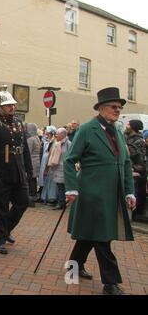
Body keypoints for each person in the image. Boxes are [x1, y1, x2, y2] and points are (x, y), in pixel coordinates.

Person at [65, 87, 136, 295]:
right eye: (114, 107)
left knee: (89, 234)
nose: (118, 110)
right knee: (102, 237)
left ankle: (73, 266)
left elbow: (126, 163)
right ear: (102, 108)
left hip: (112, 196)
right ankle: (110, 283)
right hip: (91, 194)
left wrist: (130, 191)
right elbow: (70, 160)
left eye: (120, 107)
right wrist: (72, 188)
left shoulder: (118, 133)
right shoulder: (87, 129)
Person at [0, 85, 33, 255]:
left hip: (18, 170)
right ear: (0, 107)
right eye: (8, 105)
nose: (12, 107)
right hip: (1, 172)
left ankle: (3, 230)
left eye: (13, 105)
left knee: (23, 202)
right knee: (1, 207)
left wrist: (29, 170)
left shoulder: (19, 123)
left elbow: (24, 148)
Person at [125, 120, 147, 223]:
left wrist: (133, 168)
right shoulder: (127, 137)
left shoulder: (139, 141)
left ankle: (136, 215)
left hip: (136, 174)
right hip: (129, 170)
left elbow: (141, 159)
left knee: (136, 194)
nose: (126, 126)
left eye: (128, 124)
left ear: (133, 127)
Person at [47, 128, 71, 211]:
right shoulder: (57, 143)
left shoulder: (68, 144)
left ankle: (61, 203)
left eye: (58, 134)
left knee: (62, 186)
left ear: (62, 135)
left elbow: (70, 156)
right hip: (57, 168)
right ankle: (61, 202)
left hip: (64, 168)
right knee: (59, 186)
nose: (56, 135)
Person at [39, 126, 58, 205]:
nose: (45, 132)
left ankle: (50, 197)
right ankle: (44, 196)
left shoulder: (53, 142)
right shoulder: (45, 140)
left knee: (49, 179)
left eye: (47, 131)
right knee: (44, 178)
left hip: (49, 161)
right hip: (44, 160)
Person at [26, 123, 41, 207]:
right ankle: (34, 197)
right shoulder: (37, 138)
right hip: (36, 161)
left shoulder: (31, 139)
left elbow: (28, 152)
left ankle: (31, 200)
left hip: (31, 162)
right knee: (33, 180)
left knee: (30, 180)